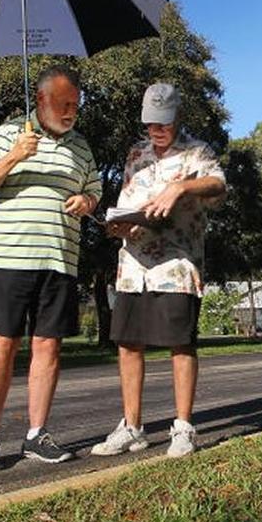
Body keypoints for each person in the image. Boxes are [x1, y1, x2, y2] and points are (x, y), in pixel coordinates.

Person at [0, 65, 100, 472]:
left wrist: (87, 203)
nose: (71, 112)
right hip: (9, 259)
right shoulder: (10, 132)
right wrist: (15, 155)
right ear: (41, 100)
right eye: (63, 104)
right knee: (3, 344)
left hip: (60, 259)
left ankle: (36, 434)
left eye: (75, 105)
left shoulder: (81, 146)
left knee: (48, 346)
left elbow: (93, 189)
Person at [92, 83, 226, 458]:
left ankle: (183, 428)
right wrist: (120, 225)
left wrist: (182, 188)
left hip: (177, 264)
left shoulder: (197, 151)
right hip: (134, 264)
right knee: (128, 342)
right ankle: (132, 427)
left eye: (163, 123)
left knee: (180, 343)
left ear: (178, 117)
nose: (157, 130)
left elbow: (219, 185)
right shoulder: (136, 154)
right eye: (151, 123)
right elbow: (126, 202)